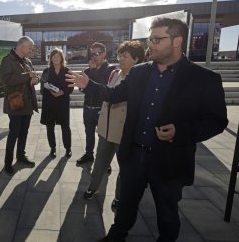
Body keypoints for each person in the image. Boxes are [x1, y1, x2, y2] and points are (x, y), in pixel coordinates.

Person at [66, 17, 228, 242]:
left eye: (157, 39)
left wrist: (180, 131)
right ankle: (117, 235)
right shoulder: (139, 72)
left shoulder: (203, 79)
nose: (150, 44)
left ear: (177, 41)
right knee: (125, 206)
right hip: (133, 155)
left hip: (170, 161)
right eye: (150, 39)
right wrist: (89, 85)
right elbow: (115, 96)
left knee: (167, 214)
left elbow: (217, 121)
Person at [83, 41, 146, 213]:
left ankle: (119, 197)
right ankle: (92, 187)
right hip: (105, 130)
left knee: (124, 169)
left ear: (137, 59)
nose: (120, 59)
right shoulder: (115, 74)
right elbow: (105, 93)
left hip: (124, 134)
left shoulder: (139, 80)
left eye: (124, 57)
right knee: (99, 164)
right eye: (119, 55)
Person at [0, 36, 39, 175]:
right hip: (15, 104)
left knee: (24, 132)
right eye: (29, 47)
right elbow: (6, 80)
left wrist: (35, 78)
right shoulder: (7, 60)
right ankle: (7, 163)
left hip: (27, 105)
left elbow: (33, 76)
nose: (31, 50)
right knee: (14, 134)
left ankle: (21, 156)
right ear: (22, 46)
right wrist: (28, 75)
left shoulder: (27, 61)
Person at [77, 42, 115, 164]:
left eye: (97, 53)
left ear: (104, 54)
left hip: (102, 108)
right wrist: (82, 86)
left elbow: (104, 88)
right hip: (88, 107)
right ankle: (89, 155)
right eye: (92, 54)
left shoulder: (111, 69)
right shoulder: (87, 70)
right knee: (88, 134)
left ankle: (104, 161)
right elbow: (82, 88)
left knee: (103, 137)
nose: (94, 56)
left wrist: (93, 72)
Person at [40, 48, 74, 158]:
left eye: (58, 56)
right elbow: (42, 88)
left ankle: (68, 148)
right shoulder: (46, 71)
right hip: (49, 103)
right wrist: (51, 91)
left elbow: (71, 88)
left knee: (65, 126)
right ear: (50, 58)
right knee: (50, 127)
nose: (55, 58)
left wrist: (62, 92)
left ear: (61, 58)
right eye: (53, 56)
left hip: (62, 103)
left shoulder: (67, 71)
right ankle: (53, 148)